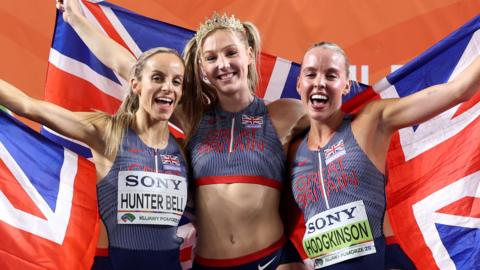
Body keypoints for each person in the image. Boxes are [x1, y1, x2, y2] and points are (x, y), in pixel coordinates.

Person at [58, 1, 308, 269]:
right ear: (202, 66)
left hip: (271, 260)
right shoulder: (194, 116)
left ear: (248, 54)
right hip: (207, 264)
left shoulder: (286, 114)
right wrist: (75, 20)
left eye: (231, 53)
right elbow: (128, 67)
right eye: (211, 58)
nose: (222, 64)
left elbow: (341, 125)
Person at [289, 41, 480, 269]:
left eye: (331, 76)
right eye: (311, 74)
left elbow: (458, 91)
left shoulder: (371, 121)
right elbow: (281, 228)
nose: (320, 83)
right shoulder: (292, 151)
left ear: (346, 85)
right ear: (299, 83)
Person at [0, 47, 189, 270]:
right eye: (157, 78)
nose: (168, 87)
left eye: (176, 81)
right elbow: (27, 106)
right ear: (136, 84)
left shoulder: (183, 151)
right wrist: (76, 18)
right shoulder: (108, 132)